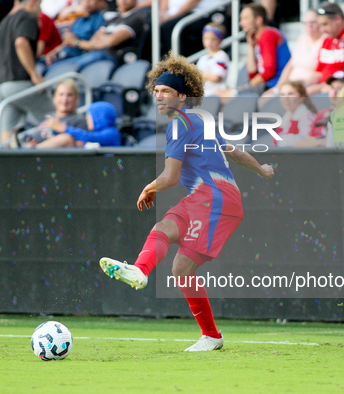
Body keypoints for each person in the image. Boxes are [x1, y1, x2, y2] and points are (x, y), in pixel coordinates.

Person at [99, 53, 275, 352]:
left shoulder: (181, 123)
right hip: (207, 197)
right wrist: (260, 168)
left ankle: (211, 336)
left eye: (166, 91)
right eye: (156, 92)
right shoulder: (198, 119)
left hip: (215, 198)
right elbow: (235, 152)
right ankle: (141, 271)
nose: (159, 96)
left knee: (180, 266)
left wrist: (148, 187)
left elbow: (169, 177)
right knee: (165, 229)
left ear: (182, 96)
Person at [0, 0, 54, 146]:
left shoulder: (5, 20)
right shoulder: (27, 17)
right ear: (32, 2)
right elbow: (21, 43)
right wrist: (34, 73)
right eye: (40, 4)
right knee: (56, 117)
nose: (40, 9)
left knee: (7, 137)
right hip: (19, 81)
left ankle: (10, 166)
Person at [55, 0, 146, 69]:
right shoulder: (113, 19)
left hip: (115, 58)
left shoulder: (136, 18)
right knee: (62, 64)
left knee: (73, 66)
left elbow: (110, 42)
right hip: (99, 54)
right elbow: (93, 42)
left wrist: (77, 42)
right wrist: (105, 39)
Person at [262, 9, 324, 97]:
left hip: (305, 87)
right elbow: (289, 66)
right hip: (290, 84)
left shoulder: (326, 41)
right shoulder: (302, 39)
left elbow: (322, 72)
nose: (309, 25)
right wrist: (278, 87)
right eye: (306, 22)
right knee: (265, 97)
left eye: (313, 22)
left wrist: (302, 86)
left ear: (320, 23)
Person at [236, 3, 290, 94]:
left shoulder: (268, 34)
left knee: (230, 95)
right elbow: (252, 75)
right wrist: (251, 46)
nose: (241, 23)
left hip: (275, 86)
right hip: (266, 85)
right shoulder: (261, 38)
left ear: (258, 20)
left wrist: (246, 87)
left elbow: (269, 72)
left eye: (245, 18)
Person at [18, 78, 88, 146]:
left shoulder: (79, 120)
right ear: (55, 97)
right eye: (61, 94)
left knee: (65, 138)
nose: (64, 99)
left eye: (69, 95)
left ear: (76, 98)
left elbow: (80, 146)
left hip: (54, 156)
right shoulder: (48, 116)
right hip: (34, 154)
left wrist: (59, 130)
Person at [28, 101, 121, 148]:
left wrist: (63, 128)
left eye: (91, 116)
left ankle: (33, 152)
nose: (88, 118)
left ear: (100, 117)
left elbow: (89, 137)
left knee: (66, 138)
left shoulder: (112, 133)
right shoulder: (98, 133)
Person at [306, 1, 344, 96]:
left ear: (338, 19)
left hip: (339, 90)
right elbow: (318, 72)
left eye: (325, 24)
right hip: (322, 89)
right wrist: (303, 87)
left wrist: (318, 88)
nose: (322, 30)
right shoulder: (328, 39)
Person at [295, 71, 344, 148]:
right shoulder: (321, 114)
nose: (334, 92)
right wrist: (321, 141)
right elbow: (300, 143)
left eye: (339, 88)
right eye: (332, 88)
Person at [43, 0, 105, 65]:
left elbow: (96, 45)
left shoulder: (99, 20)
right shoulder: (78, 19)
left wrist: (76, 42)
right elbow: (67, 42)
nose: (87, 1)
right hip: (64, 55)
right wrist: (53, 52)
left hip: (79, 58)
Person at [273, 81, 316, 147]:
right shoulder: (284, 119)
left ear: (301, 97)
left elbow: (307, 144)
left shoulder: (308, 117)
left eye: (290, 94)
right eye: (282, 94)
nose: (286, 98)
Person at [196, 23, 230, 96]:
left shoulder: (222, 56)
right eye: (206, 38)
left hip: (217, 94)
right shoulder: (202, 58)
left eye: (213, 39)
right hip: (204, 94)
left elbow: (216, 77)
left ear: (220, 41)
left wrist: (201, 74)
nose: (209, 42)